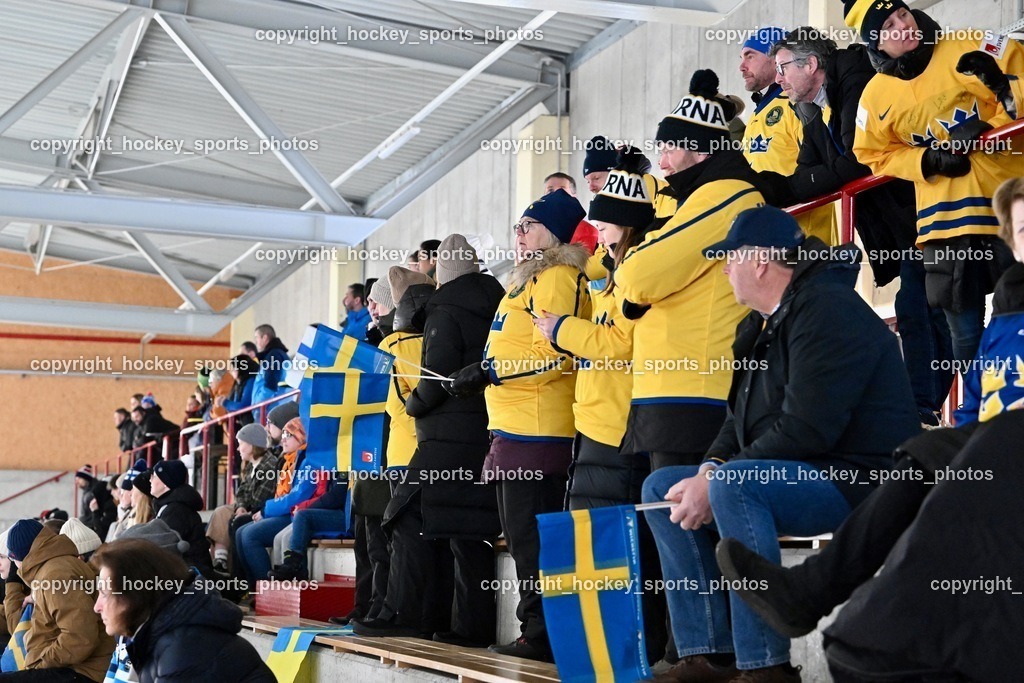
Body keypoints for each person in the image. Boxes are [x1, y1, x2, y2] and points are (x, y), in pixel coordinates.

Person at [715, 176, 1024, 682]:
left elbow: (808, 426)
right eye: (1023, 230)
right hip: (996, 458)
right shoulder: (1006, 319)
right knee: (932, 453)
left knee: (944, 455)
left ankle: (792, 629)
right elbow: (973, 407)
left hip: (898, 466)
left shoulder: (824, 312)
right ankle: (855, 639)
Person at [641, 205, 920, 682]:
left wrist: (721, 480)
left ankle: (765, 665)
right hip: (799, 471)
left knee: (734, 487)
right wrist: (709, 468)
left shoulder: (827, 310)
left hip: (859, 478)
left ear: (760, 262)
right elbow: (738, 423)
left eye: (730, 258)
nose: (725, 268)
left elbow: (809, 428)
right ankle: (709, 653)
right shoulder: (762, 324)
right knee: (661, 487)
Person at [766, 26, 955, 425]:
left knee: (929, 308)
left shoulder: (854, 76)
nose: (776, 77)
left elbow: (856, 159)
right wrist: (773, 190)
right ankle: (927, 407)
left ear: (812, 64)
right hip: (901, 220)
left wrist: (820, 176)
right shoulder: (815, 113)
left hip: (927, 203)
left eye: (782, 67)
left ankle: (925, 408)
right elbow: (804, 175)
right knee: (928, 308)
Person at [534, 147, 669, 665]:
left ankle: (634, 649)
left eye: (606, 218)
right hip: (594, 419)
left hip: (620, 423)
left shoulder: (637, 272)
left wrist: (560, 330)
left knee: (624, 547)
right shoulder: (610, 270)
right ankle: (607, 651)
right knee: (598, 543)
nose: (595, 224)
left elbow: (619, 343)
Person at [448, 187, 593, 661]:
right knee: (524, 536)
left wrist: (491, 371)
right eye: (517, 226)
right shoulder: (526, 280)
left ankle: (543, 634)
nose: (518, 233)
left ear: (551, 233)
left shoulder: (554, 277)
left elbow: (555, 353)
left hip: (538, 429)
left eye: (527, 225)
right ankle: (537, 629)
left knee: (533, 538)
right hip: (514, 427)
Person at [849, 0, 1023, 366]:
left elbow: (1021, 78)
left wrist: (990, 126)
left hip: (1006, 202)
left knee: (1017, 313)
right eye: (890, 26)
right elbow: (871, 153)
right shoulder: (873, 96)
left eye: (903, 15)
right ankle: (983, 414)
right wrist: (924, 160)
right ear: (876, 43)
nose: (903, 26)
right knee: (964, 336)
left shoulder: (970, 43)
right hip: (943, 222)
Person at [614, 69, 768, 471]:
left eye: (668, 148)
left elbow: (637, 275)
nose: (660, 162)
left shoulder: (725, 193)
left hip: (694, 391)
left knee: (686, 520)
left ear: (700, 151)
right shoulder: (697, 198)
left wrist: (633, 284)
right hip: (676, 389)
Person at [401, 234, 505, 647]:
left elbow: (437, 374)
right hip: (486, 424)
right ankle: (473, 624)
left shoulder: (444, 309)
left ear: (442, 273)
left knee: (456, 534)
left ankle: (466, 628)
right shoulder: (497, 300)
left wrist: (414, 404)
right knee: (474, 533)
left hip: (447, 434)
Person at [355, 267, 443, 638]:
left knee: (396, 538)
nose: (369, 306)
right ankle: (379, 606)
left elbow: (403, 403)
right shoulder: (387, 340)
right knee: (379, 536)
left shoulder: (398, 344)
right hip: (391, 452)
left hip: (403, 452)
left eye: (377, 300)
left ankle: (393, 610)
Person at [92, 539, 274, 683]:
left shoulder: (185, 649)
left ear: (133, 598)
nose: (97, 606)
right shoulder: (156, 635)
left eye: (105, 594)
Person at [329, 278, 394, 627]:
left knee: (378, 539)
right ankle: (363, 603)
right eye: (368, 301)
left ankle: (378, 606)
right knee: (363, 538)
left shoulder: (391, 343)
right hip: (363, 451)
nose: (370, 307)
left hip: (382, 448)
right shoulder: (367, 341)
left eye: (377, 301)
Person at [738, 26, 835, 246]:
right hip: (765, 240)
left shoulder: (798, 104)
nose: (742, 66)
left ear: (774, 59)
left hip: (803, 241)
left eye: (750, 56)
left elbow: (824, 164)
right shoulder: (760, 112)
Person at [3, 520, 115, 681]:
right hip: (75, 665)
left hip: (82, 671)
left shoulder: (54, 574)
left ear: (19, 557)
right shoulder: (54, 567)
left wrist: (39, 664)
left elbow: (80, 637)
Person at [235, 418, 319, 586]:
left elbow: (299, 496)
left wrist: (266, 510)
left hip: (298, 514)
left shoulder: (309, 461)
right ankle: (253, 589)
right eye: (284, 434)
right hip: (288, 511)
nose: (283, 439)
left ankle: (266, 587)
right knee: (240, 531)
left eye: (289, 435)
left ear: (301, 436)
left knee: (249, 535)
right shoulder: (288, 459)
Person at [206, 424, 279, 573]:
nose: (238, 449)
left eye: (241, 445)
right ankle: (220, 560)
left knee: (237, 521)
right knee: (220, 512)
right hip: (249, 508)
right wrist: (240, 506)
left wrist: (245, 508)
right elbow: (241, 492)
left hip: (260, 511)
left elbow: (260, 500)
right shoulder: (252, 466)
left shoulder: (269, 466)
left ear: (253, 445)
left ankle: (233, 572)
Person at [149, 459, 211, 574]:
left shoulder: (176, 510)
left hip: (193, 573)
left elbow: (167, 546)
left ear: (165, 482)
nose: (150, 479)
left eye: (154, 476)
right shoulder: (168, 506)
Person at [250, 324, 291, 416]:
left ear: (264, 337)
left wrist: (257, 406)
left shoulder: (273, 356)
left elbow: (270, 386)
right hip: (276, 407)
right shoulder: (278, 354)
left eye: (256, 338)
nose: (255, 342)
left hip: (268, 410)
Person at [75, 465, 117, 541]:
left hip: (92, 528)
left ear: (86, 479)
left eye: (79, 479)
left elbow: (95, 518)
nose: (77, 482)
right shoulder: (87, 492)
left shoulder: (94, 493)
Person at [217, 355, 257, 427]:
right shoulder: (238, 384)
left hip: (251, 422)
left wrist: (224, 402)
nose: (230, 372)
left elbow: (244, 406)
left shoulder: (250, 381)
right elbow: (234, 406)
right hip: (243, 423)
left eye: (233, 369)